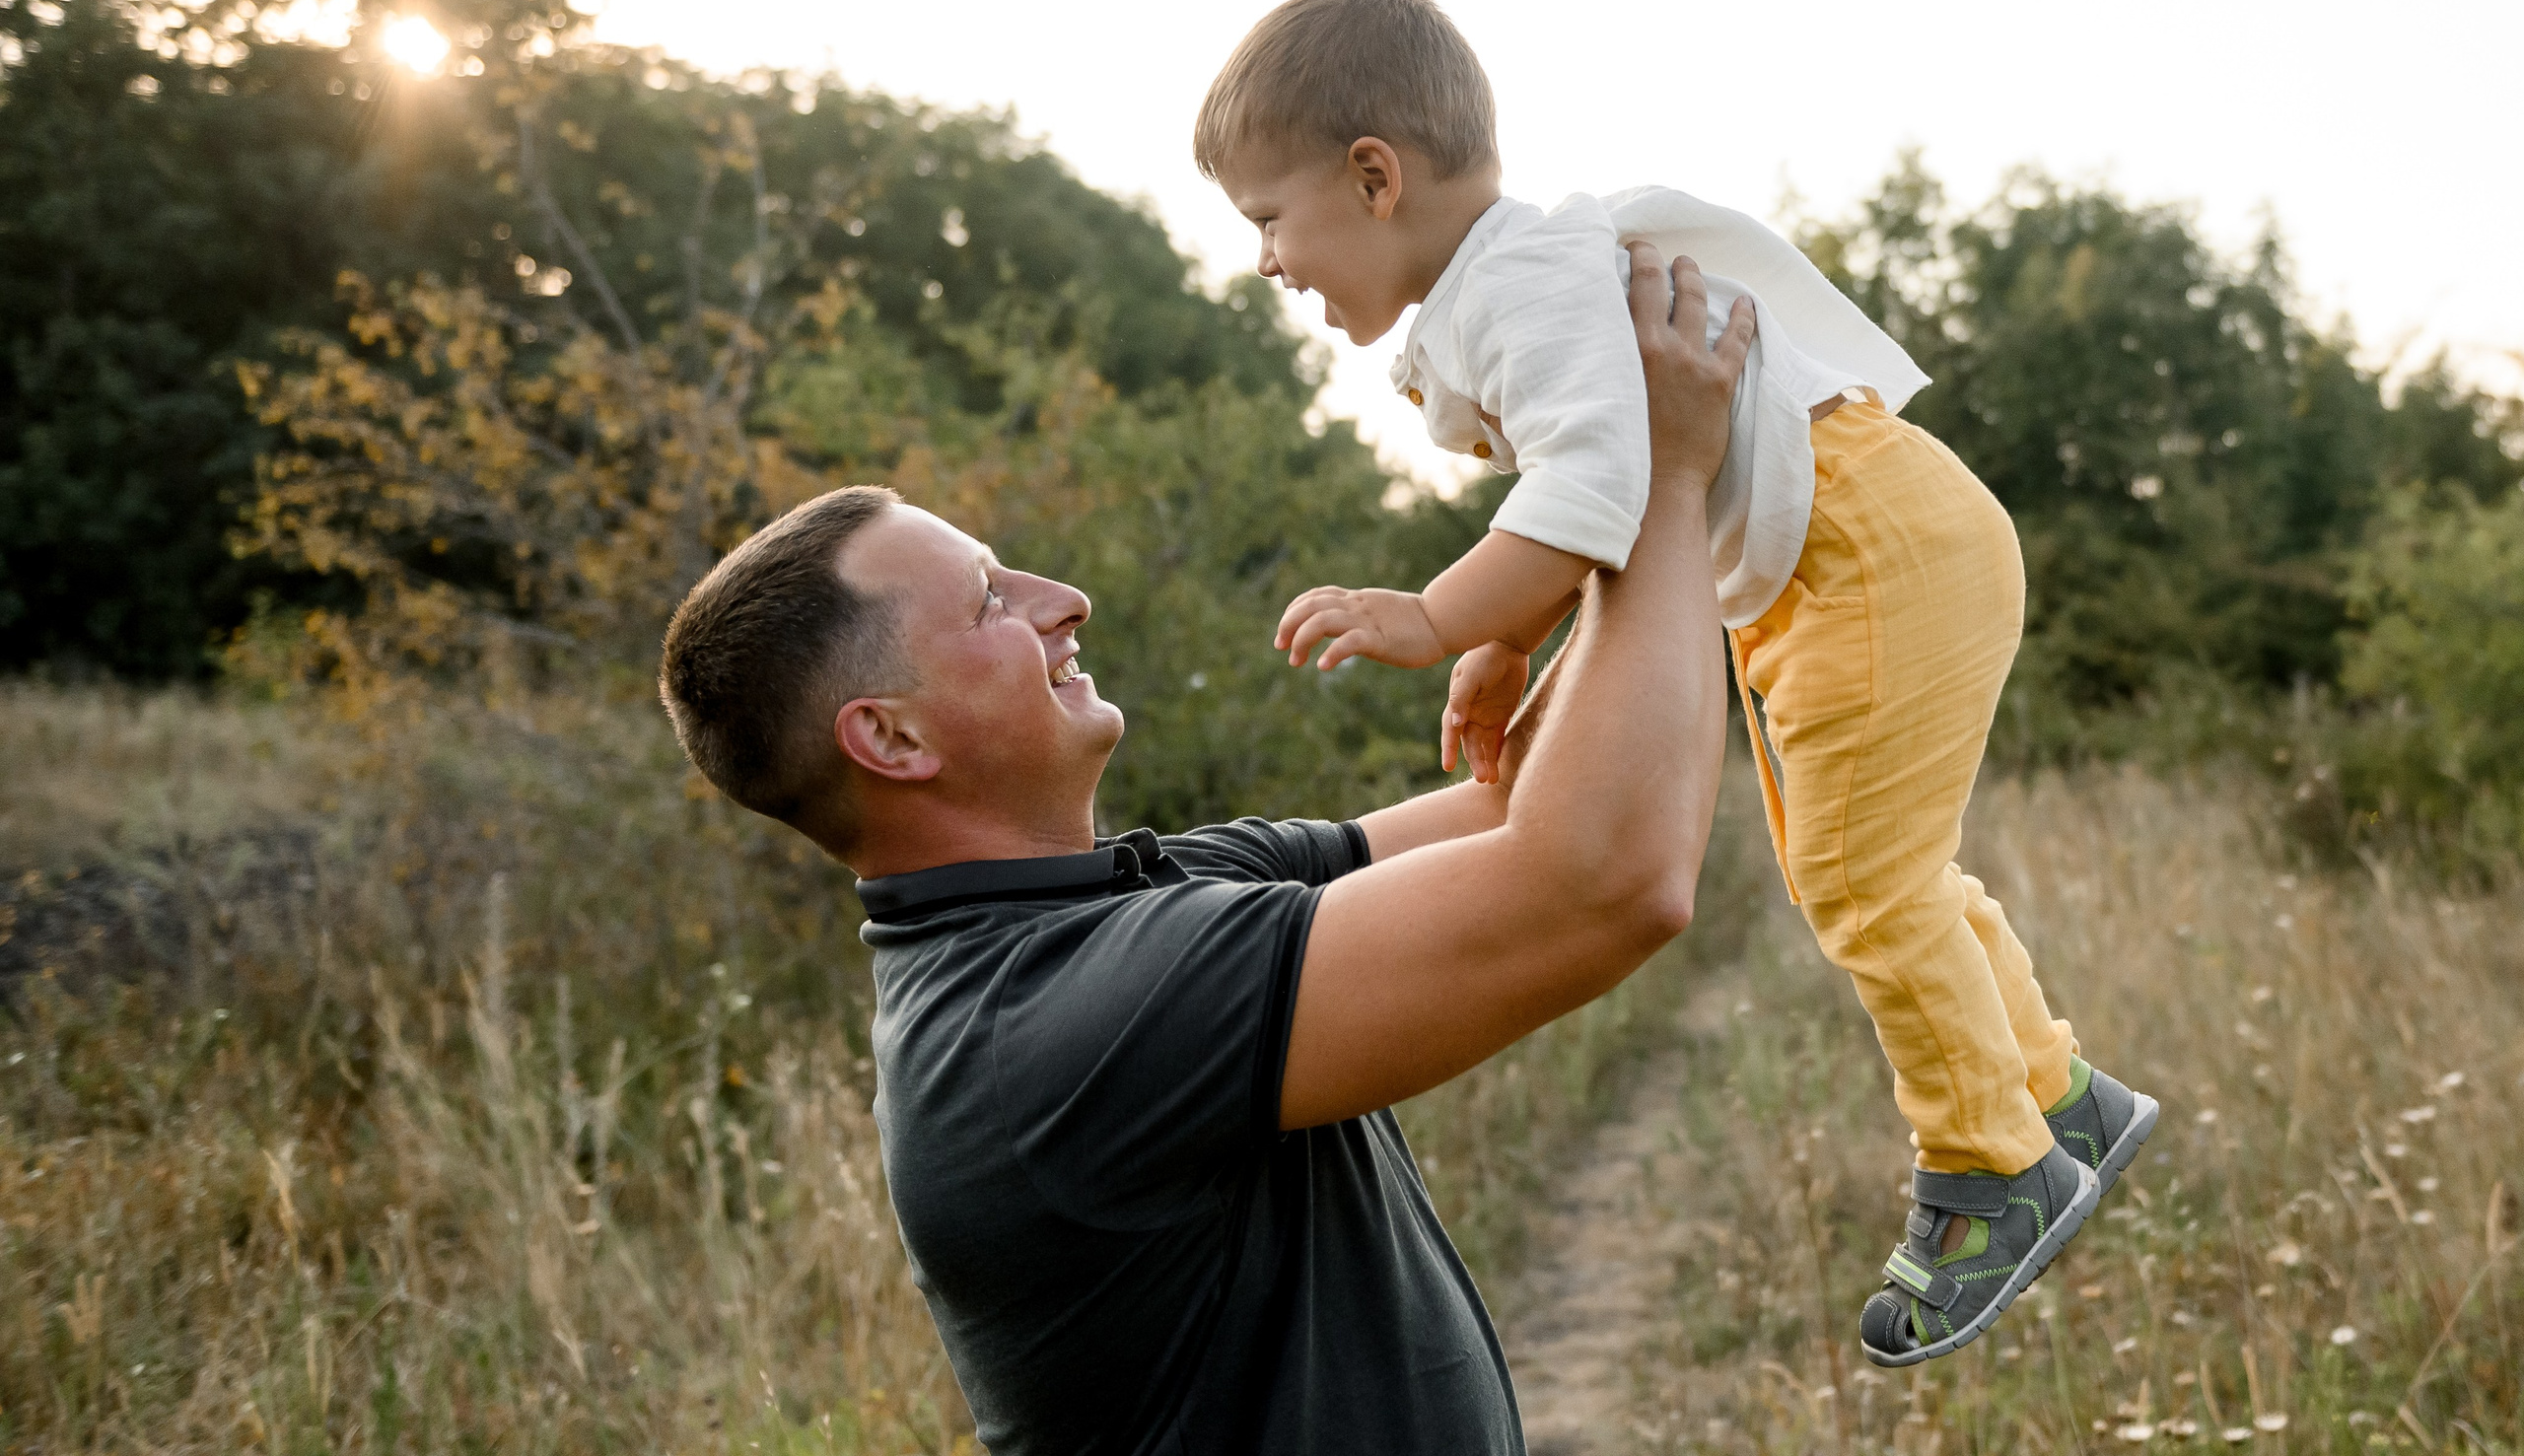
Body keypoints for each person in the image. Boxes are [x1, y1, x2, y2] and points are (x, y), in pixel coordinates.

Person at [1192, 0, 2157, 1366]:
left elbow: (1591, 488)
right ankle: (2056, 1095)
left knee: (1864, 884)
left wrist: (1440, 615)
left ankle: (1991, 1166)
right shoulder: (1510, 284)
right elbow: (1603, 484)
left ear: (1375, 175)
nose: (1266, 260)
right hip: (1848, 553)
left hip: (1867, 550)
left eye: (1267, 219)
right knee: (1872, 871)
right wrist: (1508, 642)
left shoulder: (1517, 284)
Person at [656, 247, 1751, 1453]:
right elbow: (1602, 881)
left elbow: (1520, 811)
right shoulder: (1051, 1023)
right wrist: (1663, 476)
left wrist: (1556, 558)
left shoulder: (1152, 892)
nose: (1062, 596)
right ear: (892, 737)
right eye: (989, 600)